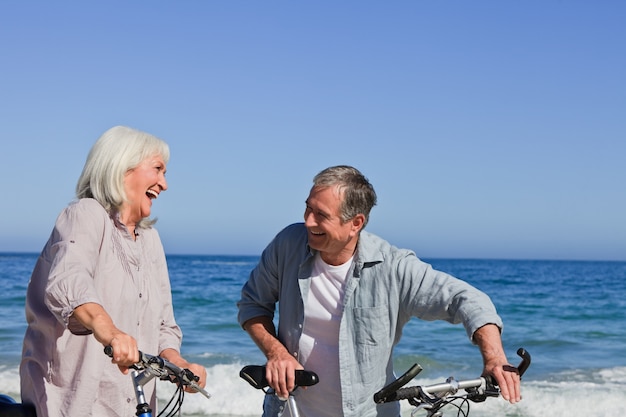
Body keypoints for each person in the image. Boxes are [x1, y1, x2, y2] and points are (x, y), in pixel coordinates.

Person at [237, 165, 522, 417]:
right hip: (287, 409)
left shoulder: (395, 268)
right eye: (307, 208)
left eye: (320, 215)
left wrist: (495, 358)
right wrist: (277, 353)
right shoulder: (287, 244)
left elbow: (467, 300)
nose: (308, 221)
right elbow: (252, 305)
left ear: (356, 223)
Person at [20, 126, 207, 417]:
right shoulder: (85, 214)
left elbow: (163, 326)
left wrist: (177, 363)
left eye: (165, 173)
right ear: (121, 167)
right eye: (157, 169)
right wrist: (111, 333)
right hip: (74, 402)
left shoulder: (150, 239)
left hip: (129, 401)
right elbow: (68, 282)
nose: (164, 184)